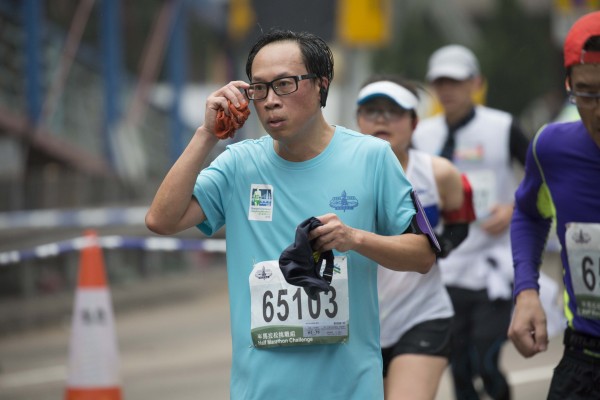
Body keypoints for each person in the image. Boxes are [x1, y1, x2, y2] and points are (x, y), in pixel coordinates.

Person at [145, 29, 437, 400]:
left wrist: (355, 238)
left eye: (284, 84)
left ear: (321, 85)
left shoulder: (372, 157)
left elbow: (423, 255)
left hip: (350, 389)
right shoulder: (239, 164)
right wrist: (206, 134)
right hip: (261, 391)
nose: (270, 101)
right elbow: (161, 220)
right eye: (259, 88)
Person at [412, 44, 530, 400]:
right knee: (459, 366)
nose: (447, 89)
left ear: (476, 82)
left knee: (485, 357)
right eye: (440, 82)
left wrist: (514, 208)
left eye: (456, 81)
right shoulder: (421, 134)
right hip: (446, 264)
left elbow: (542, 177)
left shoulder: (503, 126)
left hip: (494, 264)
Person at [355, 75, 475, 399]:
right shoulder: (338, 174)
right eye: (372, 110)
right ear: (357, 119)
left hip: (422, 314)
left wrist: (436, 248)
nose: (382, 119)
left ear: (414, 122)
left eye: (394, 111)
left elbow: (461, 223)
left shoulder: (439, 173)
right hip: (356, 323)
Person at [508, 11, 600, 400]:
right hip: (585, 359)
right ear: (569, 86)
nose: (599, 109)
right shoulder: (552, 149)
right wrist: (526, 291)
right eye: (587, 93)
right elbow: (530, 213)